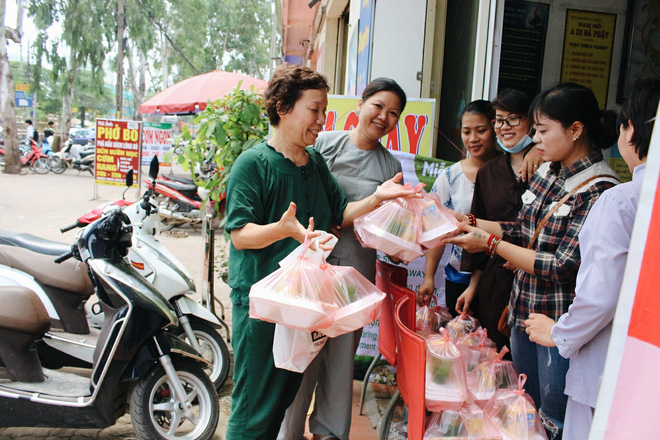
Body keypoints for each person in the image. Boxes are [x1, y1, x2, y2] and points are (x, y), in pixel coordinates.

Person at [224, 64, 416, 440]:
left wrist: (377, 197)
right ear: (282, 108)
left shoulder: (315, 164)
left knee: (281, 399)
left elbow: (340, 214)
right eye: (313, 110)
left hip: (303, 303)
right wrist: (280, 230)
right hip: (264, 306)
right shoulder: (253, 165)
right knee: (252, 406)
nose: (321, 119)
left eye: (323, 110)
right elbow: (241, 235)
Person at [443, 82, 620, 439]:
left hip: (558, 324)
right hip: (523, 309)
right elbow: (523, 229)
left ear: (575, 130)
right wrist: (471, 223)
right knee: (524, 408)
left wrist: (490, 243)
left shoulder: (599, 188)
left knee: (554, 419)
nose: (535, 139)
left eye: (541, 130)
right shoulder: (548, 171)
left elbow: (560, 265)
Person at [525, 79, 660, 439]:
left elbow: (599, 295)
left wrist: (559, 333)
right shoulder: (551, 173)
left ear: (634, 131)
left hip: (609, 360)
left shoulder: (618, 199)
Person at [278, 78, 407, 440]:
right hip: (312, 263)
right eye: (378, 106)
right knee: (303, 349)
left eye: (394, 113)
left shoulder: (390, 165)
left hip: (356, 268)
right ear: (362, 104)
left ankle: (329, 432)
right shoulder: (323, 144)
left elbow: (390, 225)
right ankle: (287, 431)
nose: (384, 116)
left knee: (340, 355)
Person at [457, 89, 539, 351]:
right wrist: (473, 287)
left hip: (535, 286)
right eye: (499, 120)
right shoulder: (489, 172)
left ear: (533, 122)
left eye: (513, 119)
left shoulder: (549, 169)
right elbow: (478, 231)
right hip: (494, 286)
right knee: (491, 363)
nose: (505, 127)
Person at [418, 100, 500, 314]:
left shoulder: (510, 172)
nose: (473, 139)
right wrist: (428, 278)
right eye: (466, 132)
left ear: (495, 129)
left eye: (481, 130)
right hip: (459, 276)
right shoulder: (450, 177)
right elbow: (438, 231)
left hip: (499, 275)